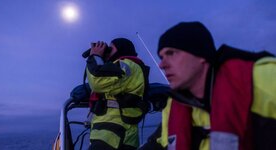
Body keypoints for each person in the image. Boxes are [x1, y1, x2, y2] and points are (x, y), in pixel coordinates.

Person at [140, 21, 276, 150]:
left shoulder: (262, 78)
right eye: (161, 57)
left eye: (171, 53)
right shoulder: (173, 105)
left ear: (200, 54)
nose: (162, 65)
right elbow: (159, 143)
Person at [86, 38, 149, 150]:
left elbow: (97, 81)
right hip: (112, 135)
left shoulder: (127, 65)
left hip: (113, 134)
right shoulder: (117, 68)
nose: (107, 52)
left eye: (110, 49)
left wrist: (95, 56)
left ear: (122, 50)